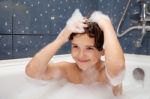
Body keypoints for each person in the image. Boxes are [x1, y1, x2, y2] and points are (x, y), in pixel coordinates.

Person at [25, 9, 125, 96]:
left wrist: (107, 25)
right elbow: (32, 72)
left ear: (103, 50)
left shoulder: (107, 74)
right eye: (76, 46)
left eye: (89, 48)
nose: (81, 55)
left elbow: (117, 69)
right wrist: (60, 39)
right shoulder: (67, 70)